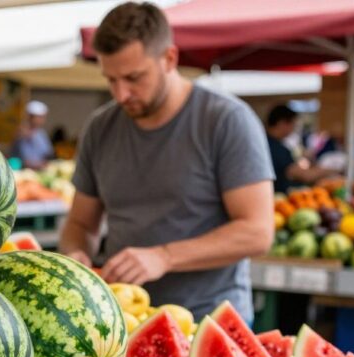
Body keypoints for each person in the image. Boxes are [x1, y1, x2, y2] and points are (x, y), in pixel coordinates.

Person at [60, 2, 274, 322]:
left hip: (208, 317)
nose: (121, 94)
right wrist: (76, 255)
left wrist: (165, 257)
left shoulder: (226, 120)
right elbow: (80, 224)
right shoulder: (100, 127)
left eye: (133, 78)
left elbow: (257, 232)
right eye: (111, 80)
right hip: (123, 319)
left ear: (170, 59)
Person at [265, 105, 341, 194]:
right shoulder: (277, 148)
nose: (293, 129)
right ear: (282, 123)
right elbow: (304, 175)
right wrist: (335, 170)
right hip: (276, 197)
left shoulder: (263, 142)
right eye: (293, 124)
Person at [10, 100, 55, 169]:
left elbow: (48, 153)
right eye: (40, 117)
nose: (42, 120)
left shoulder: (41, 133)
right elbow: (22, 159)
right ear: (30, 117)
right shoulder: (21, 133)